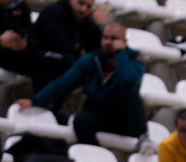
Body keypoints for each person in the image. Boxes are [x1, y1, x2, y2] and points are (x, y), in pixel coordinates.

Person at [14, 21, 147, 146]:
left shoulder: (135, 63)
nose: (108, 42)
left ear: (124, 41)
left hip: (123, 117)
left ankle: (144, 137)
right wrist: (34, 101)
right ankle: (96, 156)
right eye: (105, 37)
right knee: (79, 121)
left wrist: (121, 53)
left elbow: (127, 81)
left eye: (114, 38)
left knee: (131, 92)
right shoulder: (91, 60)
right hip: (100, 113)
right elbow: (64, 83)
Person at [29, 0, 105, 92]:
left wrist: (100, 26)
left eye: (88, 7)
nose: (83, 9)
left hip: (59, 59)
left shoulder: (85, 20)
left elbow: (95, 49)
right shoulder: (55, 12)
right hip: (38, 56)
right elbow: (59, 44)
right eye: (81, 3)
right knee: (70, 62)